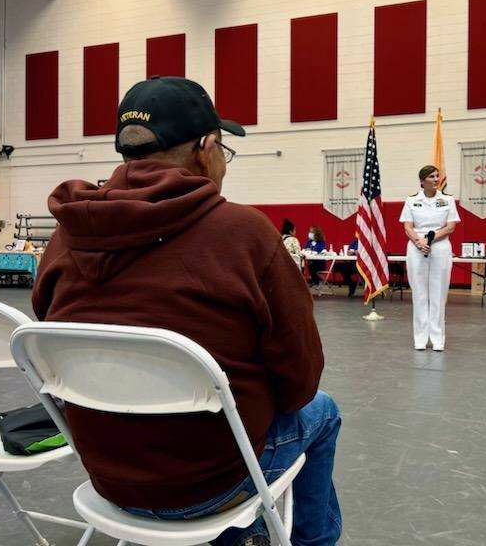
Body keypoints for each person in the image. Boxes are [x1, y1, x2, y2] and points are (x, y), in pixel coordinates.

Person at [32, 77, 342, 546]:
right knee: (324, 411)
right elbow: (300, 383)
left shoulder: (64, 238)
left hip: (109, 478)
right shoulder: (246, 234)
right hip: (210, 482)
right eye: (224, 152)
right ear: (206, 148)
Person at [399, 165, 460, 351]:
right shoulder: (411, 200)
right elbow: (408, 226)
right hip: (416, 247)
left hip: (440, 246)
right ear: (422, 180)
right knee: (419, 294)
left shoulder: (447, 200)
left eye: (437, 176)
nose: (436, 179)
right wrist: (419, 241)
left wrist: (430, 238)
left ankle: (437, 338)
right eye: (432, 176)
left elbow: (450, 227)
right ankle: (420, 337)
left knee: (438, 294)